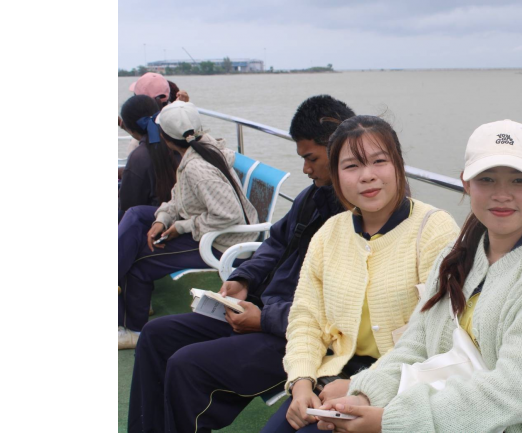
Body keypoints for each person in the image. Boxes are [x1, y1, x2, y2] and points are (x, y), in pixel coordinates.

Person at [316, 120, 522, 432]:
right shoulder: (456, 253)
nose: (502, 194)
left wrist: (389, 422)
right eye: (486, 179)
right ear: (466, 184)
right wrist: (365, 396)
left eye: (519, 181)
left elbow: (512, 391)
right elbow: (416, 344)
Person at [127, 95, 356, 433]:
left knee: (187, 366)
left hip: (294, 333)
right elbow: (276, 241)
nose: (306, 169)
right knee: (155, 335)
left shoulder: (358, 220)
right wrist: (244, 278)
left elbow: (339, 312)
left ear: (339, 148)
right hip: (262, 309)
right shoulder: (313, 196)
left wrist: (264, 319)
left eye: (311, 159)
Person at [261, 115, 460, 433]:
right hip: (333, 377)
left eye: (379, 161)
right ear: (337, 176)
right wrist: (301, 382)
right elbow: (306, 318)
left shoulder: (434, 230)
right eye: (352, 166)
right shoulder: (329, 233)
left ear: (398, 164)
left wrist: (360, 385)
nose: (368, 176)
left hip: (402, 385)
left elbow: (439, 335)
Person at [118, 101, 258, 350]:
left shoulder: (196, 168)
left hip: (224, 243)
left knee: (140, 263)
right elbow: (178, 196)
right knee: (137, 215)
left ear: (164, 137)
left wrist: (182, 227)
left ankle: (134, 330)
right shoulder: (199, 149)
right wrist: (162, 219)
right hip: (211, 229)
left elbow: (229, 215)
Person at [118, 95, 179, 221]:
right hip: (178, 215)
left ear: (130, 128)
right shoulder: (175, 142)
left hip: (151, 221)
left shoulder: (138, 156)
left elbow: (128, 204)